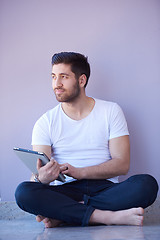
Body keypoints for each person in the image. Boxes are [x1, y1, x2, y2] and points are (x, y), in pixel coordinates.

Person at [15, 52, 158, 228]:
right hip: (65, 191)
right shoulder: (45, 122)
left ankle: (66, 214)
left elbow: (122, 164)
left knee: (146, 185)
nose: (56, 84)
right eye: (53, 77)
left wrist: (80, 172)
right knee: (23, 192)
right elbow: (36, 174)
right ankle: (107, 217)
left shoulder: (111, 111)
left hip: (104, 189)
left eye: (63, 77)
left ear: (81, 80)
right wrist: (41, 179)